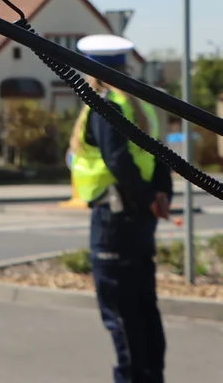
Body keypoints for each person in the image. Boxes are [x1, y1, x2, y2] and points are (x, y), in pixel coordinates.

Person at [70, 34, 172, 383]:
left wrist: (145, 196)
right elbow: (159, 154)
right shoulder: (138, 105)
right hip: (141, 217)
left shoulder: (102, 104)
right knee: (144, 310)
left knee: (122, 316)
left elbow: (117, 159)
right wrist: (160, 195)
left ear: (90, 70)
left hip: (114, 218)